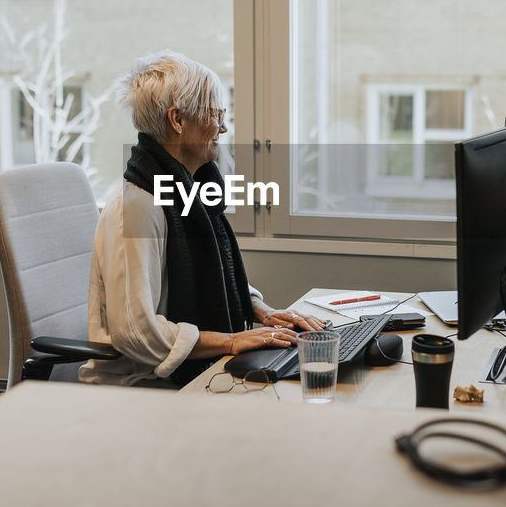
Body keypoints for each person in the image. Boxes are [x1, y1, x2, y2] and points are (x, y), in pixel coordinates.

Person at [80, 51, 325, 386]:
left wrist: (260, 310)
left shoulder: (188, 187)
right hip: (140, 383)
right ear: (178, 120)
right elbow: (136, 333)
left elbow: (210, 272)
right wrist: (231, 340)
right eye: (216, 115)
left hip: (181, 370)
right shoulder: (137, 205)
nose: (223, 128)